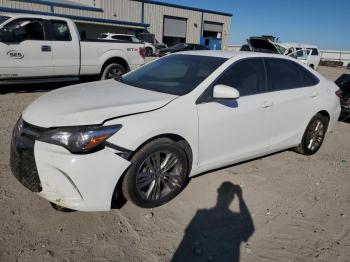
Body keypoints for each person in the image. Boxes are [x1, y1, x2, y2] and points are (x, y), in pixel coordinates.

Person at [171, 182, 254, 262]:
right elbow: (249, 229)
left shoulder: (201, 215)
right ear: (232, 198)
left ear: (218, 193)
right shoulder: (235, 219)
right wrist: (240, 197)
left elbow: (186, 241)